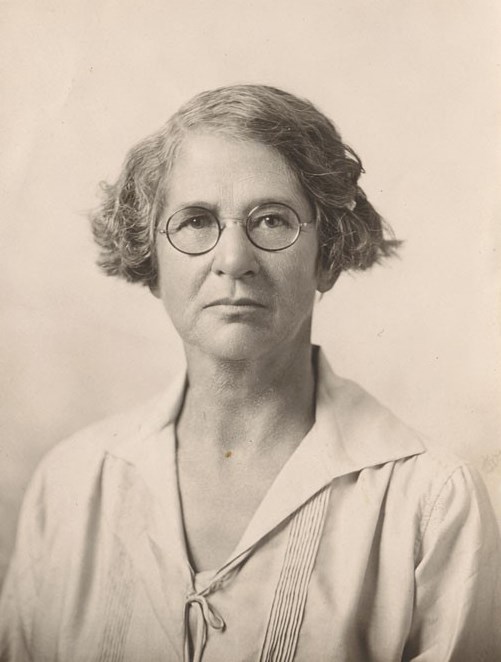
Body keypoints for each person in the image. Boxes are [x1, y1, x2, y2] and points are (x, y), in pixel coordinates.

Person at [1, 84, 500, 662]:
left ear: (327, 255)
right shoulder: (72, 483)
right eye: (194, 221)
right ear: (150, 259)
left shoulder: (430, 502)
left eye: (271, 220)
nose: (234, 260)